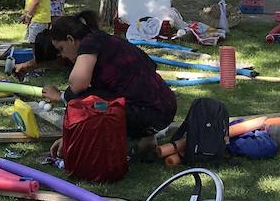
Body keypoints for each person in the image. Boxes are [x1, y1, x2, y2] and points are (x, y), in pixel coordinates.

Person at [40, 12, 177, 159]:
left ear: (70, 39)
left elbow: (77, 85)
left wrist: (62, 100)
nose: (63, 55)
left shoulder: (89, 43)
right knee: (105, 96)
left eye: (61, 49)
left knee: (83, 101)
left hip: (146, 113)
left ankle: (91, 143)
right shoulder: (107, 40)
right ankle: (146, 137)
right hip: (166, 107)